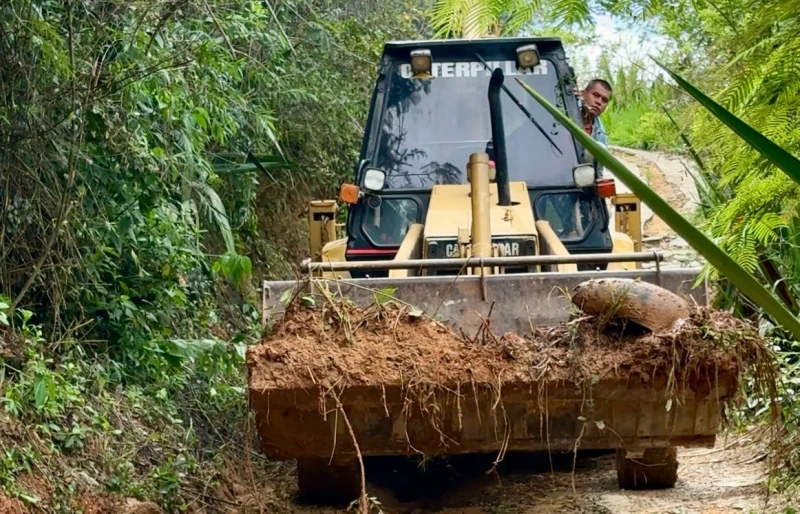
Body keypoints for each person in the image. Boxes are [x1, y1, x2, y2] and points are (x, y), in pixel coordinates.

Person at [578, 79, 612, 176]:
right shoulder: (567, 112)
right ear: (583, 94)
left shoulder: (600, 132)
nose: (599, 102)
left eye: (604, 100)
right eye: (595, 95)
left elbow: (599, 169)